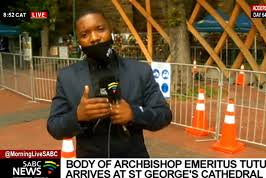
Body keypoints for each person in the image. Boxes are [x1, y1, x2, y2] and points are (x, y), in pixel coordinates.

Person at [47, 8, 172, 158]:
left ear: (111, 30)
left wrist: (135, 113)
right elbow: (54, 127)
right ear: (78, 41)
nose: (94, 38)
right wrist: (77, 116)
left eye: (100, 29)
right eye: (84, 34)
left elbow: (164, 115)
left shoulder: (140, 71)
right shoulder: (67, 76)